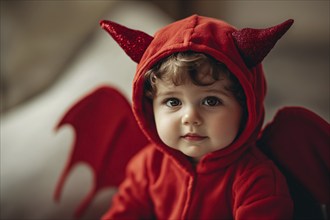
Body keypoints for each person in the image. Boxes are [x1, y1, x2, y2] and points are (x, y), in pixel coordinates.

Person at [99, 14, 294, 219]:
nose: (190, 118)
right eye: (173, 102)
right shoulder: (147, 167)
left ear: (246, 107)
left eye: (211, 101)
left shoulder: (257, 181)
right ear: (150, 108)